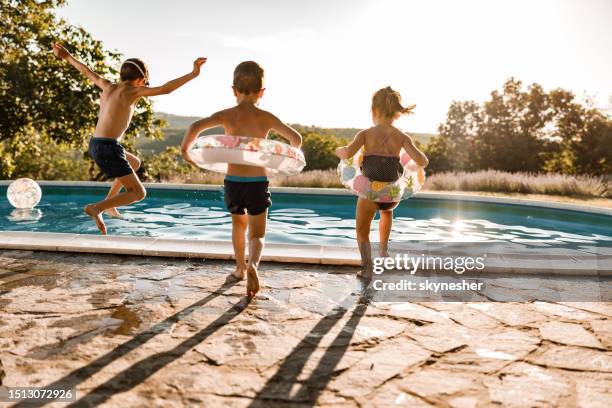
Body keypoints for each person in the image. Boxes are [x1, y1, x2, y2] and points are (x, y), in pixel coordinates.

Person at [52, 43, 206, 234]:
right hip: (108, 147)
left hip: (96, 144)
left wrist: (66, 56)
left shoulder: (107, 85)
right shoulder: (134, 91)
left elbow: (86, 71)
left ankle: (109, 204)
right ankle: (97, 208)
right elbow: (166, 89)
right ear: (141, 79)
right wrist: (193, 74)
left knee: (134, 162)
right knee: (139, 193)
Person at [181, 61, 302, 296]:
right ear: (262, 92)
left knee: (238, 226)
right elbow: (295, 138)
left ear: (233, 90)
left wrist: (186, 151)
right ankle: (253, 266)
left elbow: (196, 126)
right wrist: (281, 161)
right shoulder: (266, 117)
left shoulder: (228, 115)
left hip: (233, 182)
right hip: (258, 182)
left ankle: (239, 269)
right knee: (257, 234)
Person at [335, 86, 429, 279]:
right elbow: (423, 161)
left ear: (374, 111)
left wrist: (339, 150)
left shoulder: (365, 134)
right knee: (386, 213)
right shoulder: (402, 137)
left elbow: (347, 153)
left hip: (370, 192)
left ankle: (367, 267)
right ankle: (384, 251)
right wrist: (413, 161)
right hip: (391, 195)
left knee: (362, 231)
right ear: (397, 114)